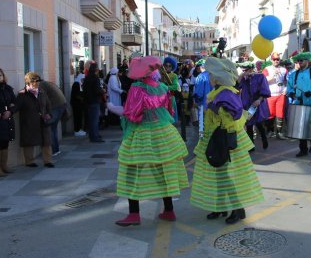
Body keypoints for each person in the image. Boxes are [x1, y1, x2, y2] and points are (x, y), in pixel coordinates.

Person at [109, 56, 189, 227]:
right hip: (163, 133)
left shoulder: (137, 88)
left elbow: (133, 114)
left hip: (143, 133)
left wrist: (115, 110)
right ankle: (169, 210)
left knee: (132, 171)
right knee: (163, 170)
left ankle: (134, 214)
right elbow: (169, 110)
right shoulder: (162, 87)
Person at [190, 57, 264, 224]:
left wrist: (218, 110)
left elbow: (234, 115)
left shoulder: (225, 93)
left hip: (223, 138)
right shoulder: (221, 91)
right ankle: (220, 208)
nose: (209, 77)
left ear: (217, 76)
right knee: (218, 175)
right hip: (215, 137)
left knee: (227, 176)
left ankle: (238, 209)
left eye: (211, 74)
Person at [286, 52, 311, 156]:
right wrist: (292, 93)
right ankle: (303, 149)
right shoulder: (294, 74)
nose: (299, 63)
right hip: (298, 103)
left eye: (301, 60)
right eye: (298, 61)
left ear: (307, 61)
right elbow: (289, 87)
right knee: (300, 126)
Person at [13, 72, 55, 168]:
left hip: (43, 121)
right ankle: (29, 161)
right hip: (29, 121)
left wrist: (49, 114)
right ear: (29, 82)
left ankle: (47, 161)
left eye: (38, 81)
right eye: (35, 81)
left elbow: (48, 105)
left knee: (47, 141)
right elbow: (16, 107)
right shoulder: (22, 94)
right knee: (29, 141)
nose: (37, 83)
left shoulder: (42, 92)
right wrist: (9, 111)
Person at [237, 60, 271, 150]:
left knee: (259, 123)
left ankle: (264, 138)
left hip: (257, 103)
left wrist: (259, 100)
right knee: (249, 125)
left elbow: (265, 90)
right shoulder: (243, 78)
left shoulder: (260, 77)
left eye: (246, 70)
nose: (244, 72)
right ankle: (251, 146)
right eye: (243, 70)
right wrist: (241, 76)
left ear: (251, 69)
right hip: (247, 104)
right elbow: (236, 87)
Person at [38, 79, 68, 156]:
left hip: (56, 106)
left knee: (50, 128)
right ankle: (56, 149)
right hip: (62, 104)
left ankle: (53, 150)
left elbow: (42, 98)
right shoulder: (48, 83)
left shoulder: (41, 85)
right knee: (53, 129)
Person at [262, 52, 288, 139]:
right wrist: (273, 76)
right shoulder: (267, 69)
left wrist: (286, 88)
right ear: (271, 60)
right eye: (274, 59)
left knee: (280, 113)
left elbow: (286, 81)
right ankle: (270, 131)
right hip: (271, 94)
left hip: (281, 94)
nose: (276, 61)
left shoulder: (284, 69)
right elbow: (263, 81)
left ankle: (279, 133)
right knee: (270, 113)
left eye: (277, 59)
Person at [82, 62, 105, 142]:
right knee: (95, 120)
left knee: (92, 119)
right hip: (94, 101)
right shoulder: (95, 78)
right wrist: (102, 91)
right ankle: (94, 136)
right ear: (96, 70)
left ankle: (94, 135)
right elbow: (96, 90)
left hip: (88, 101)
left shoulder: (87, 77)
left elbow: (85, 89)